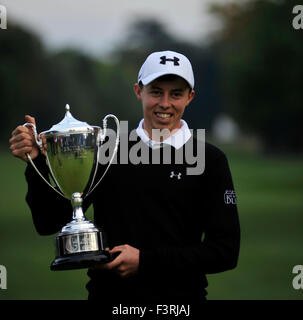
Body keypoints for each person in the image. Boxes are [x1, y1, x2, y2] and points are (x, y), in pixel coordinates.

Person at [9, 50, 240, 305]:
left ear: (190, 96)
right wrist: (37, 163)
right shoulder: (109, 150)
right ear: (138, 91)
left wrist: (145, 261)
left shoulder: (209, 160)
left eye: (176, 93)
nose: (165, 103)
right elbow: (49, 221)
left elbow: (225, 252)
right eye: (156, 91)